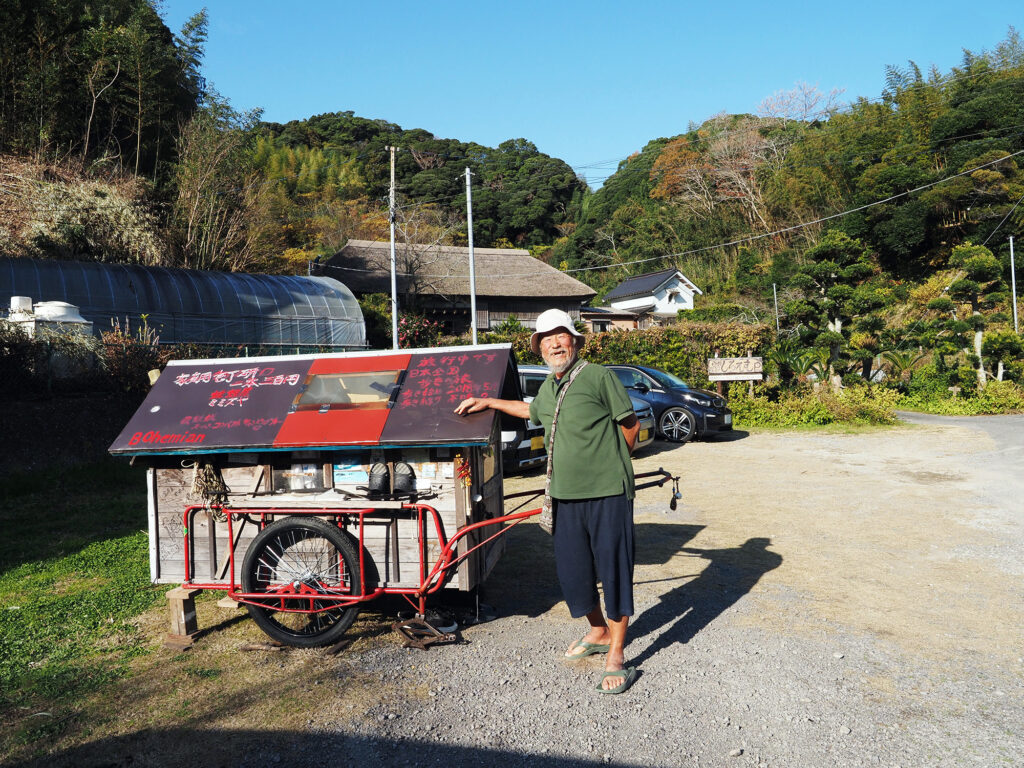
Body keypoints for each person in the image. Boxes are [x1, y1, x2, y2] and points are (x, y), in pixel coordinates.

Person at [454, 308, 640, 694]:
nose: (555, 343)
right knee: (574, 573)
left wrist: (607, 466)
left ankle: (617, 654)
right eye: (547, 338)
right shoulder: (551, 387)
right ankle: (598, 630)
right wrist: (489, 401)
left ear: (574, 339)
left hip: (608, 494)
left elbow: (630, 425)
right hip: (564, 497)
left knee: (614, 571)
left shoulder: (598, 376)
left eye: (561, 335)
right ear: (539, 348)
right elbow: (531, 411)